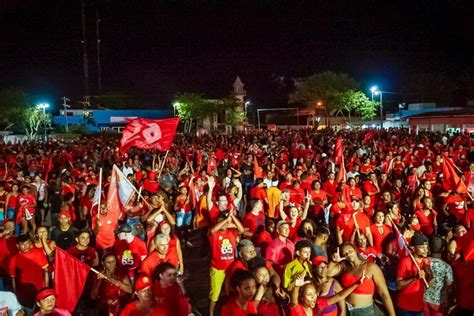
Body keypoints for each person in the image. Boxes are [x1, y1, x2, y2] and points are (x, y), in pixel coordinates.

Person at [328, 243, 396, 316]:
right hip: (346, 310)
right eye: (345, 253)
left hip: (364, 312)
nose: (348, 254)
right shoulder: (344, 267)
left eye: (350, 251)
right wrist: (334, 261)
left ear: (355, 250)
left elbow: (384, 294)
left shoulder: (371, 267)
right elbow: (328, 273)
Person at [208, 211, 244, 316]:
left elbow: (241, 230)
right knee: (215, 294)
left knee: (229, 292)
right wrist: (225, 220)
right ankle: (211, 313)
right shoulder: (214, 234)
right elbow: (213, 229)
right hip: (217, 269)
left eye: (225, 223)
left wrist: (232, 216)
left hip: (230, 269)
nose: (224, 225)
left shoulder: (231, 232)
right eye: (221, 222)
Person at [9, 234, 49, 312]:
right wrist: (15, 293)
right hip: (24, 293)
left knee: (42, 311)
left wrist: (46, 287)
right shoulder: (14, 259)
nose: (26, 246)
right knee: (28, 312)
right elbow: (13, 278)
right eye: (22, 244)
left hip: (39, 289)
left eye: (27, 243)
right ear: (17, 246)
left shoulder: (39, 253)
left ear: (30, 243)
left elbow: (46, 271)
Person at [396, 234, 433, 316]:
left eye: (426, 247)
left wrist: (431, 275)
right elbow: (398, 285)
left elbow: (428, 286)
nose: (425, 250)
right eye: (422, 247)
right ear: (413, 248)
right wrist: (415, 278)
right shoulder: (404, 262)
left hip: (419, 307)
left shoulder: (426, 261)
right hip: (405, 307)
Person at [423, 236, 453, 316]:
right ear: (443, 249)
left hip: (423, 300)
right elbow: (449, 286)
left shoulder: (423, 262)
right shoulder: (446, 267)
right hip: (438, 302)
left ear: (429, 248)